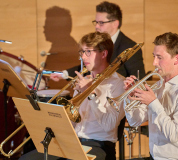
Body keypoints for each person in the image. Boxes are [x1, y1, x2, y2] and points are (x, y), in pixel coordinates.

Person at [19, 32, 125, 160]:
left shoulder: (119, 84)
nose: (83, 57)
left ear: (103, 53)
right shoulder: (83, 79)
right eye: (82, 52)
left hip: (99, 145)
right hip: (74, 142)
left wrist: (90, 93)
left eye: (88, 52)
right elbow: (74, 119)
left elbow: (109, 126)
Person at [123, 32, 178, 160]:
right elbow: (134, 121)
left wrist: (153, 103)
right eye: (154, 56)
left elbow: (174, 135)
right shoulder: (158, 86)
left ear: (176, 59)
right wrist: (129, 96)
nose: (154, 62)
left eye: (159, 57)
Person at [50, 1, 145, 81]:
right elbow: (90, 64)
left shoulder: (130, 47)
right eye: (96, 22)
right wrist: (64, 74)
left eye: (101, 23)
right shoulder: (98, 42)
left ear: (115, 23)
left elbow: (138, 79)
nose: (96, 26)